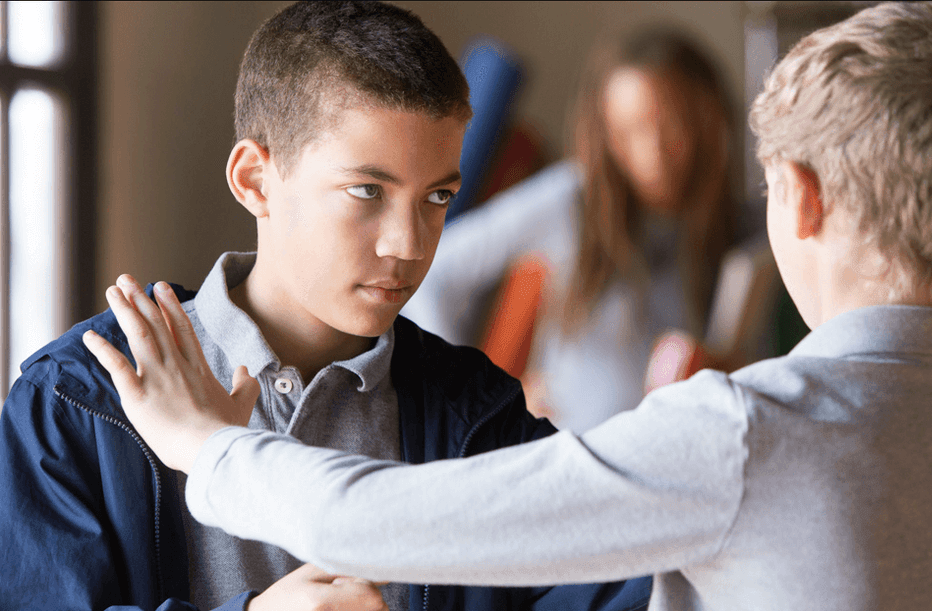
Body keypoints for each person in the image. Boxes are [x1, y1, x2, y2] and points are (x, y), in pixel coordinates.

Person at [85, 2, 932, 610]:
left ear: (801, 197)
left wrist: (207, 446)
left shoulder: (740, 430)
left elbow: (368, 516)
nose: (409, 243)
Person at [0, 2, 650, 611]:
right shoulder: (77, 403)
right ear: (255, 179)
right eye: (367, 189)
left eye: (437, 197)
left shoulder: (479, 420)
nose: (409, 244)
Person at [401, 28, 740, 433]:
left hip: (671, 462)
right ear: (606, 133)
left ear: (707, 120)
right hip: (571, 458)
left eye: (671, 127)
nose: (652, 153)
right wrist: (476, 397)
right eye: (630, 131)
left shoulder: (737, 224)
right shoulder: (571, 200)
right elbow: (435, 272)